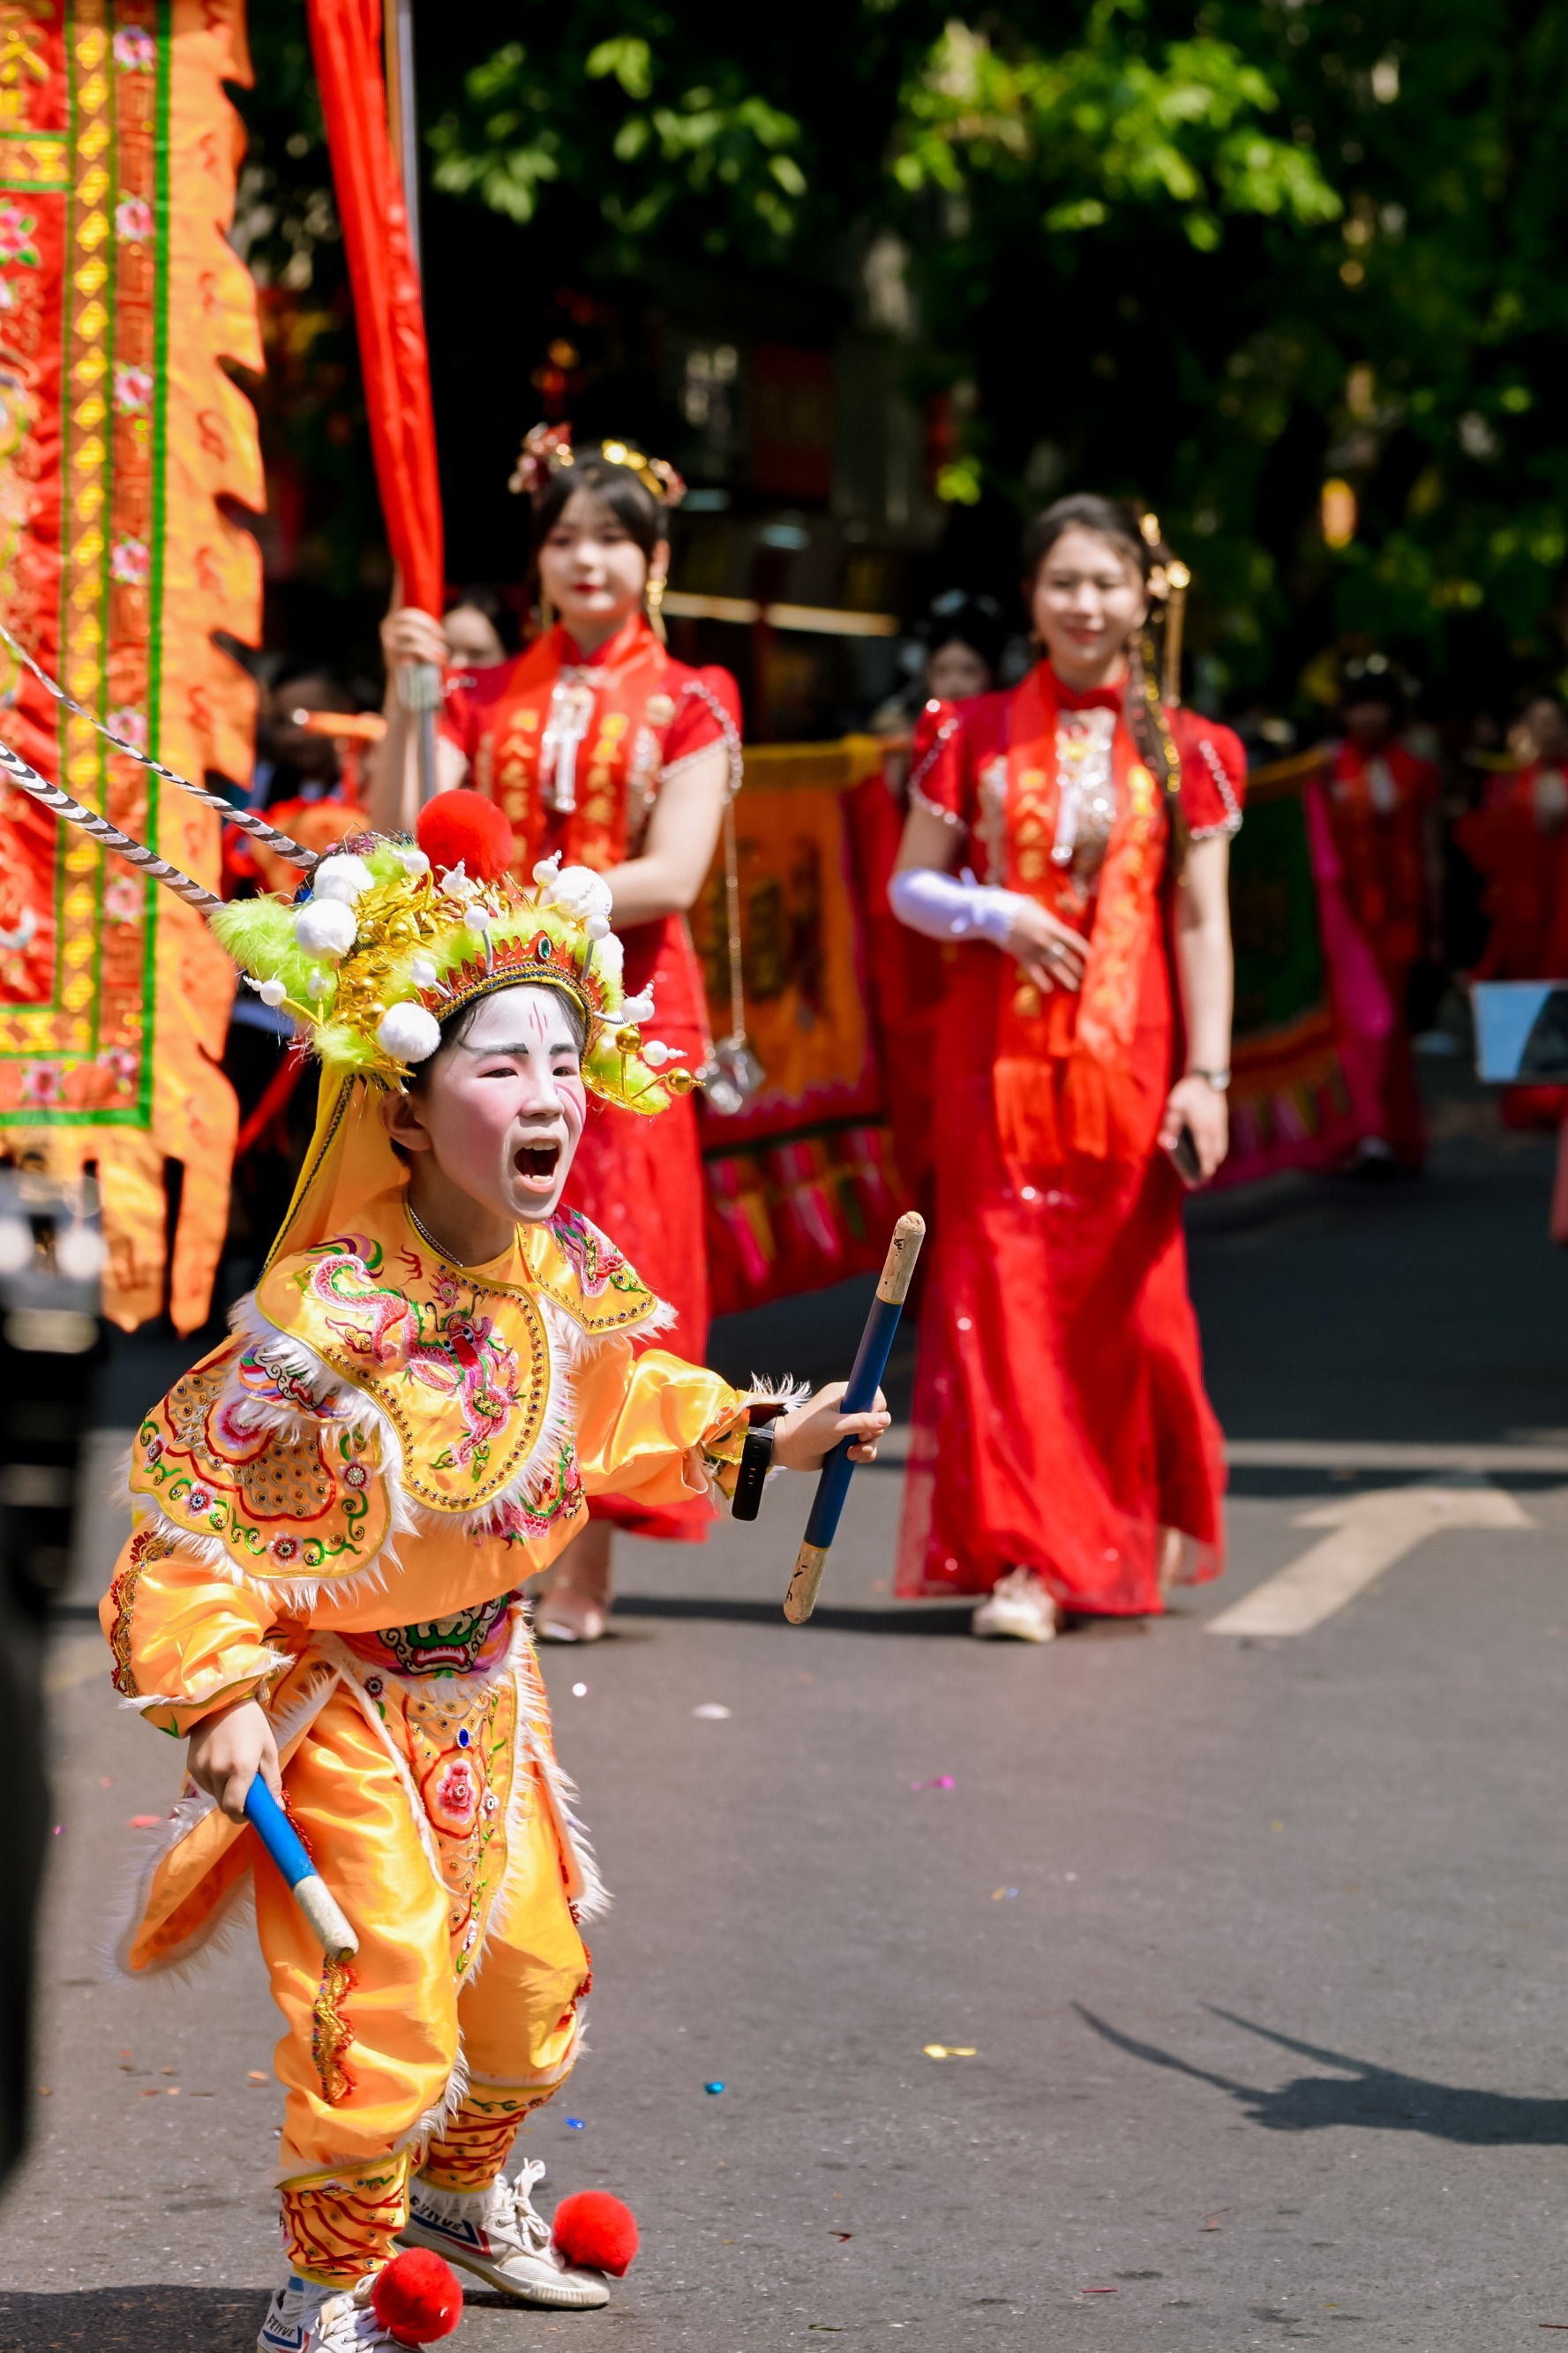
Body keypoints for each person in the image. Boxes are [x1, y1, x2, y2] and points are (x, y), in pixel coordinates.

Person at [101, 805, 886, 2353]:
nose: (545, 1099)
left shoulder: (555, 1275)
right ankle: (326, 2282)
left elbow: (614, 1406)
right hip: (340, 1703)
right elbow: (195, 1525)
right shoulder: (331, 1315)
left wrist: (761, 1437)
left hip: (489, 1687)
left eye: (557, 1066)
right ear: (401, 1112)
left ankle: (463, 2208)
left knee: (529, 1989)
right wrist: (217, 1696)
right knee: (377, 1993)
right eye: (498, 1066)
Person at [371, 428, 741, 1643]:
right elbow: (407, 831)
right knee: (481, 1261)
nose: (587, 561)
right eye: (565, 539)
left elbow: (673, 874)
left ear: (653, 559)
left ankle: (576, 1563)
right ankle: (483, 1534)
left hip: (621, 1025)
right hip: (492, 1020)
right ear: (538, 561)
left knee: (597, 1279)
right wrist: (408, 689)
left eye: (612, 540)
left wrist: (538, 906)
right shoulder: (488, 692)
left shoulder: (694, 699)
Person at [888, 493, 1245, 1642]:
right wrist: (995, 912)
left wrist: (1210, 1074)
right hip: (988, 1062)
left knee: (1129, 1312)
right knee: (1001, 1299)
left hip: (1129, 1062)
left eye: (1105, 583)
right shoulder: (970, 731)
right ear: (1033, 601)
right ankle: (1024, 1562)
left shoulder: (1193, 752)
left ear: (1146, 596)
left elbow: (1198, 923)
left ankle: (1146, 1498)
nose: (1084, 604)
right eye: (1062, 584)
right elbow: (910, 884)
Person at [1320, 672, 1441, 1169]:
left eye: (1377, 706)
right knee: (1348, 1030)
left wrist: (1436, 928)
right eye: (1357, 706)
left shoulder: (1414, 772)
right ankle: (1354, 1133)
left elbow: (1429, 850)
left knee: (1386, 1028)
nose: (1367, 717)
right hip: (1343, 922)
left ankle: (1384, 1132)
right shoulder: (1325, 770)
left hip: (1397, 919)